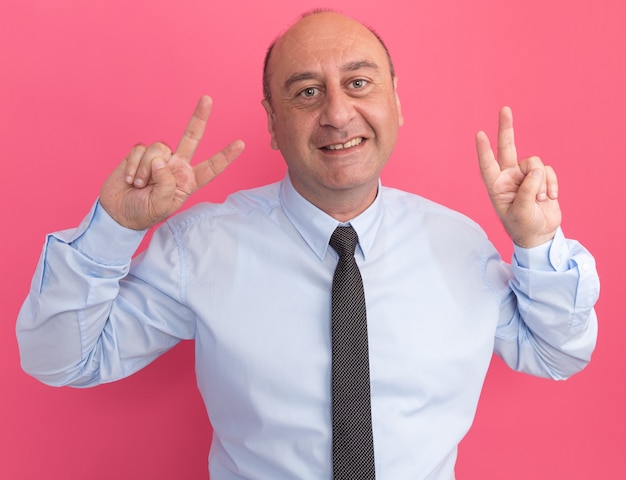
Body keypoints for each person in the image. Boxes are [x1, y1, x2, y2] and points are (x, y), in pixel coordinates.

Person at [16, 10, 599, 480]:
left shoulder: (460, 244)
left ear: (395, 102)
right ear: (272, 122)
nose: (338, 113)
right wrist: (114, 228)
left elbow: (556, 353)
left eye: (359, 83)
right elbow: (61, 360)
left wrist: (537, 244)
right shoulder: (200, 247)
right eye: (306, 92)